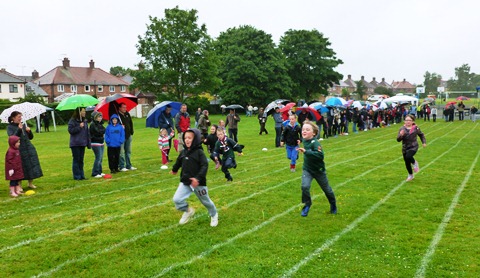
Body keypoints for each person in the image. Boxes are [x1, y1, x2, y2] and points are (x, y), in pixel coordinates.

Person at [171, 128, 218, 227]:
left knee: (206, 201)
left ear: (195, 139)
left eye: (190, 138)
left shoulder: (199, 152)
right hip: (186, 182)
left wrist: (197, 178)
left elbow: (204, 166)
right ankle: (187, 211)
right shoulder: (183, 152)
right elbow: (178, 162)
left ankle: (214, 215)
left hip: (199, 183)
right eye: (185, 138)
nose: (187, 140)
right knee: (177, 199)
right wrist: (174, 169)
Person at [297, 120, 337, 216]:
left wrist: (306, 152)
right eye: (303, 129)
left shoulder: (315, 143)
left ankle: (333, 204)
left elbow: (320, 155)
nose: (304, 131)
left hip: (319, 170)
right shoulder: (304, 140)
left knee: (327, 190)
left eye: (307, 129)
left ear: (314, 133)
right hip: (307, 169)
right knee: (304, 186)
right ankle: (307, 204)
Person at [7, 111, 43, 190]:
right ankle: (19, 185)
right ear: (13, 118)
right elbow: (13, 138)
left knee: (31, 165)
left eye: (21, 116)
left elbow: (30, 137)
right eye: (19, 116)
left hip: (29, 148)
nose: (20, 118)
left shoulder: (23, 125)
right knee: (20, 167)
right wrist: (19, 129)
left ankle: (30, 183)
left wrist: (29, 132)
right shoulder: (10, 127)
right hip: (19, 149)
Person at [396, 114, 427, 181]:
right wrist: (401, 135)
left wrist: (424, 142)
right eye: (406, 120)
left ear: (412, 121)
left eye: (409, 120)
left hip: (413, 146)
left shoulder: (416, 128)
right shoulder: (402, 129)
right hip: (405, 147)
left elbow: (421, 135)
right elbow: (398, 140)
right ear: (404, 121)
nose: (408, 122)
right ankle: (410, 175)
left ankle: (415, 163)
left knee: (408, 156)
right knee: (407, 162)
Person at [68, 108, 90, 180]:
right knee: (76, 159)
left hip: (82, 143)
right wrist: (79, 127)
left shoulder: (84, 120)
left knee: (81, 160)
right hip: (75, 143)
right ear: (79, 112)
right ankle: (77, 176)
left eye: (84, 111)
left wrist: (88, 142)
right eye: (83, 111)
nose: (84, 113)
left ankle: (82, 175)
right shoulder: (73, 120)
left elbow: (87, 132)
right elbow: (71, 130)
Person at [117, 103, 136, 171]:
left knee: (128, 151)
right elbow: (113, 125)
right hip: (121, 136)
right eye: (123, 107)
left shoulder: (127, 114)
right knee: (121, 152)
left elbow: (130, 123)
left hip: (128, 135)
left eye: (125, 107)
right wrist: (120, 126)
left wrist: (131, 131)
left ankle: (129, 165)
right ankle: (121, 166)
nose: (125, 109)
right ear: (119, 108)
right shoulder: (117, 116)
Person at [89, 111, 106, 178]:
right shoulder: (93, 124)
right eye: (99, 116)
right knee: (98, 157)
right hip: (95, 142)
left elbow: (104, 130)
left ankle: (99, 171)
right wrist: (101, 132)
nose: (100, 118)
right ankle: (95, 172)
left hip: (101, 142)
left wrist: (101, 132)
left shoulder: (100, 124)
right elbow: (98, 132)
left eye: (101, 116)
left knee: (101, 158)